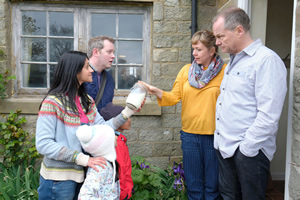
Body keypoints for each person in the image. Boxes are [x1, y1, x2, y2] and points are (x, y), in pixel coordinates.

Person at [35, 51, 137, 200]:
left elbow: (103, 128)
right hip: (58, 180)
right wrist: (83, 159)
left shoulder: (86, 101)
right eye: (87, 66)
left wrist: (128, 111)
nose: (91, 70)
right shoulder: (52, 103)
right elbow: (43, 144)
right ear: (74, 71)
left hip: (82, 175)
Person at [140, 30, 226, 200]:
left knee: (212, 186)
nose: (194, 53)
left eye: (199, 49)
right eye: (193, 48)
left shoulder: (224, 71)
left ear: (211, 50)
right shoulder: (186, 71)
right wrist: (157, 92)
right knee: (193, 185)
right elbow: (173, 97)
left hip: (214, 136)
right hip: (190, 136)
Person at [212, 7, 287, 200]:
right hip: (225, 147)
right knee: (228, 197)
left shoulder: (266, 60)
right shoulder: (232, 62)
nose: (217, 42)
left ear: (239, 30)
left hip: (248, 152)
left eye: (220, 36)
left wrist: (245, 150)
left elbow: (269, 115)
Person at [100, 103, 134, 200]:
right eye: (126, 118)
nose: (129, 120)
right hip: (120, 193)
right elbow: (121, 170)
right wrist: (124, 193)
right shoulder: (117, 142)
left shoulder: (119, 139)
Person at [77, 124, 120, 199]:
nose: (116, 137)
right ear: (106, 144)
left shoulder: (106, 163)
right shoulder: (100, 167)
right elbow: (84, 196)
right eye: (112, 136)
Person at [85, 36, 116, 111]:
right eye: (109, 52)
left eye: (113, 52)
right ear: (96, 52)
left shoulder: (109, 78)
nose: (113, 56)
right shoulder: (78, 75)